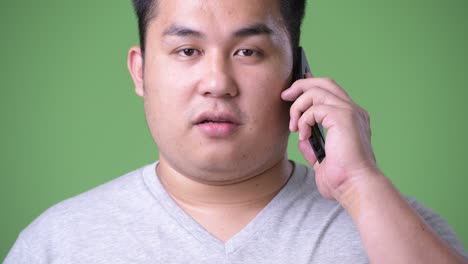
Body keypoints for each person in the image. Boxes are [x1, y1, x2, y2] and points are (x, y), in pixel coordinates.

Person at [4, 0, 468, 263]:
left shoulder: (397, 229)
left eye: (248, 52)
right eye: (186, 50)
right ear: (140, 72)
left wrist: (360, 187)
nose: (218, 84)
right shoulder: (57, 243)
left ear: (298, 72)